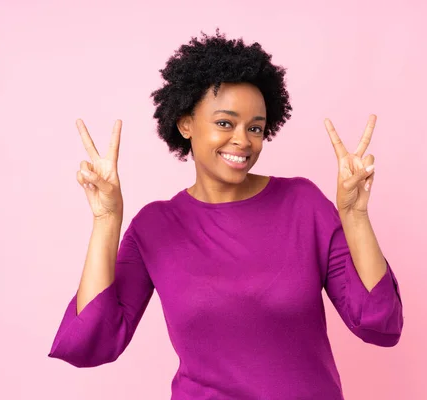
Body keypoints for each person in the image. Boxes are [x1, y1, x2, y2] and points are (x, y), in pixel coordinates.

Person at [48, 30, 403, 400]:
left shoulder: (304, 204)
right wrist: (106, 220)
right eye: (224, 123)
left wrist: (354, 214)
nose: (243, 140)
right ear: (186, 124)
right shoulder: (154, 227)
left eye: (255, 128)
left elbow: (380, 323)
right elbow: (93, 342)